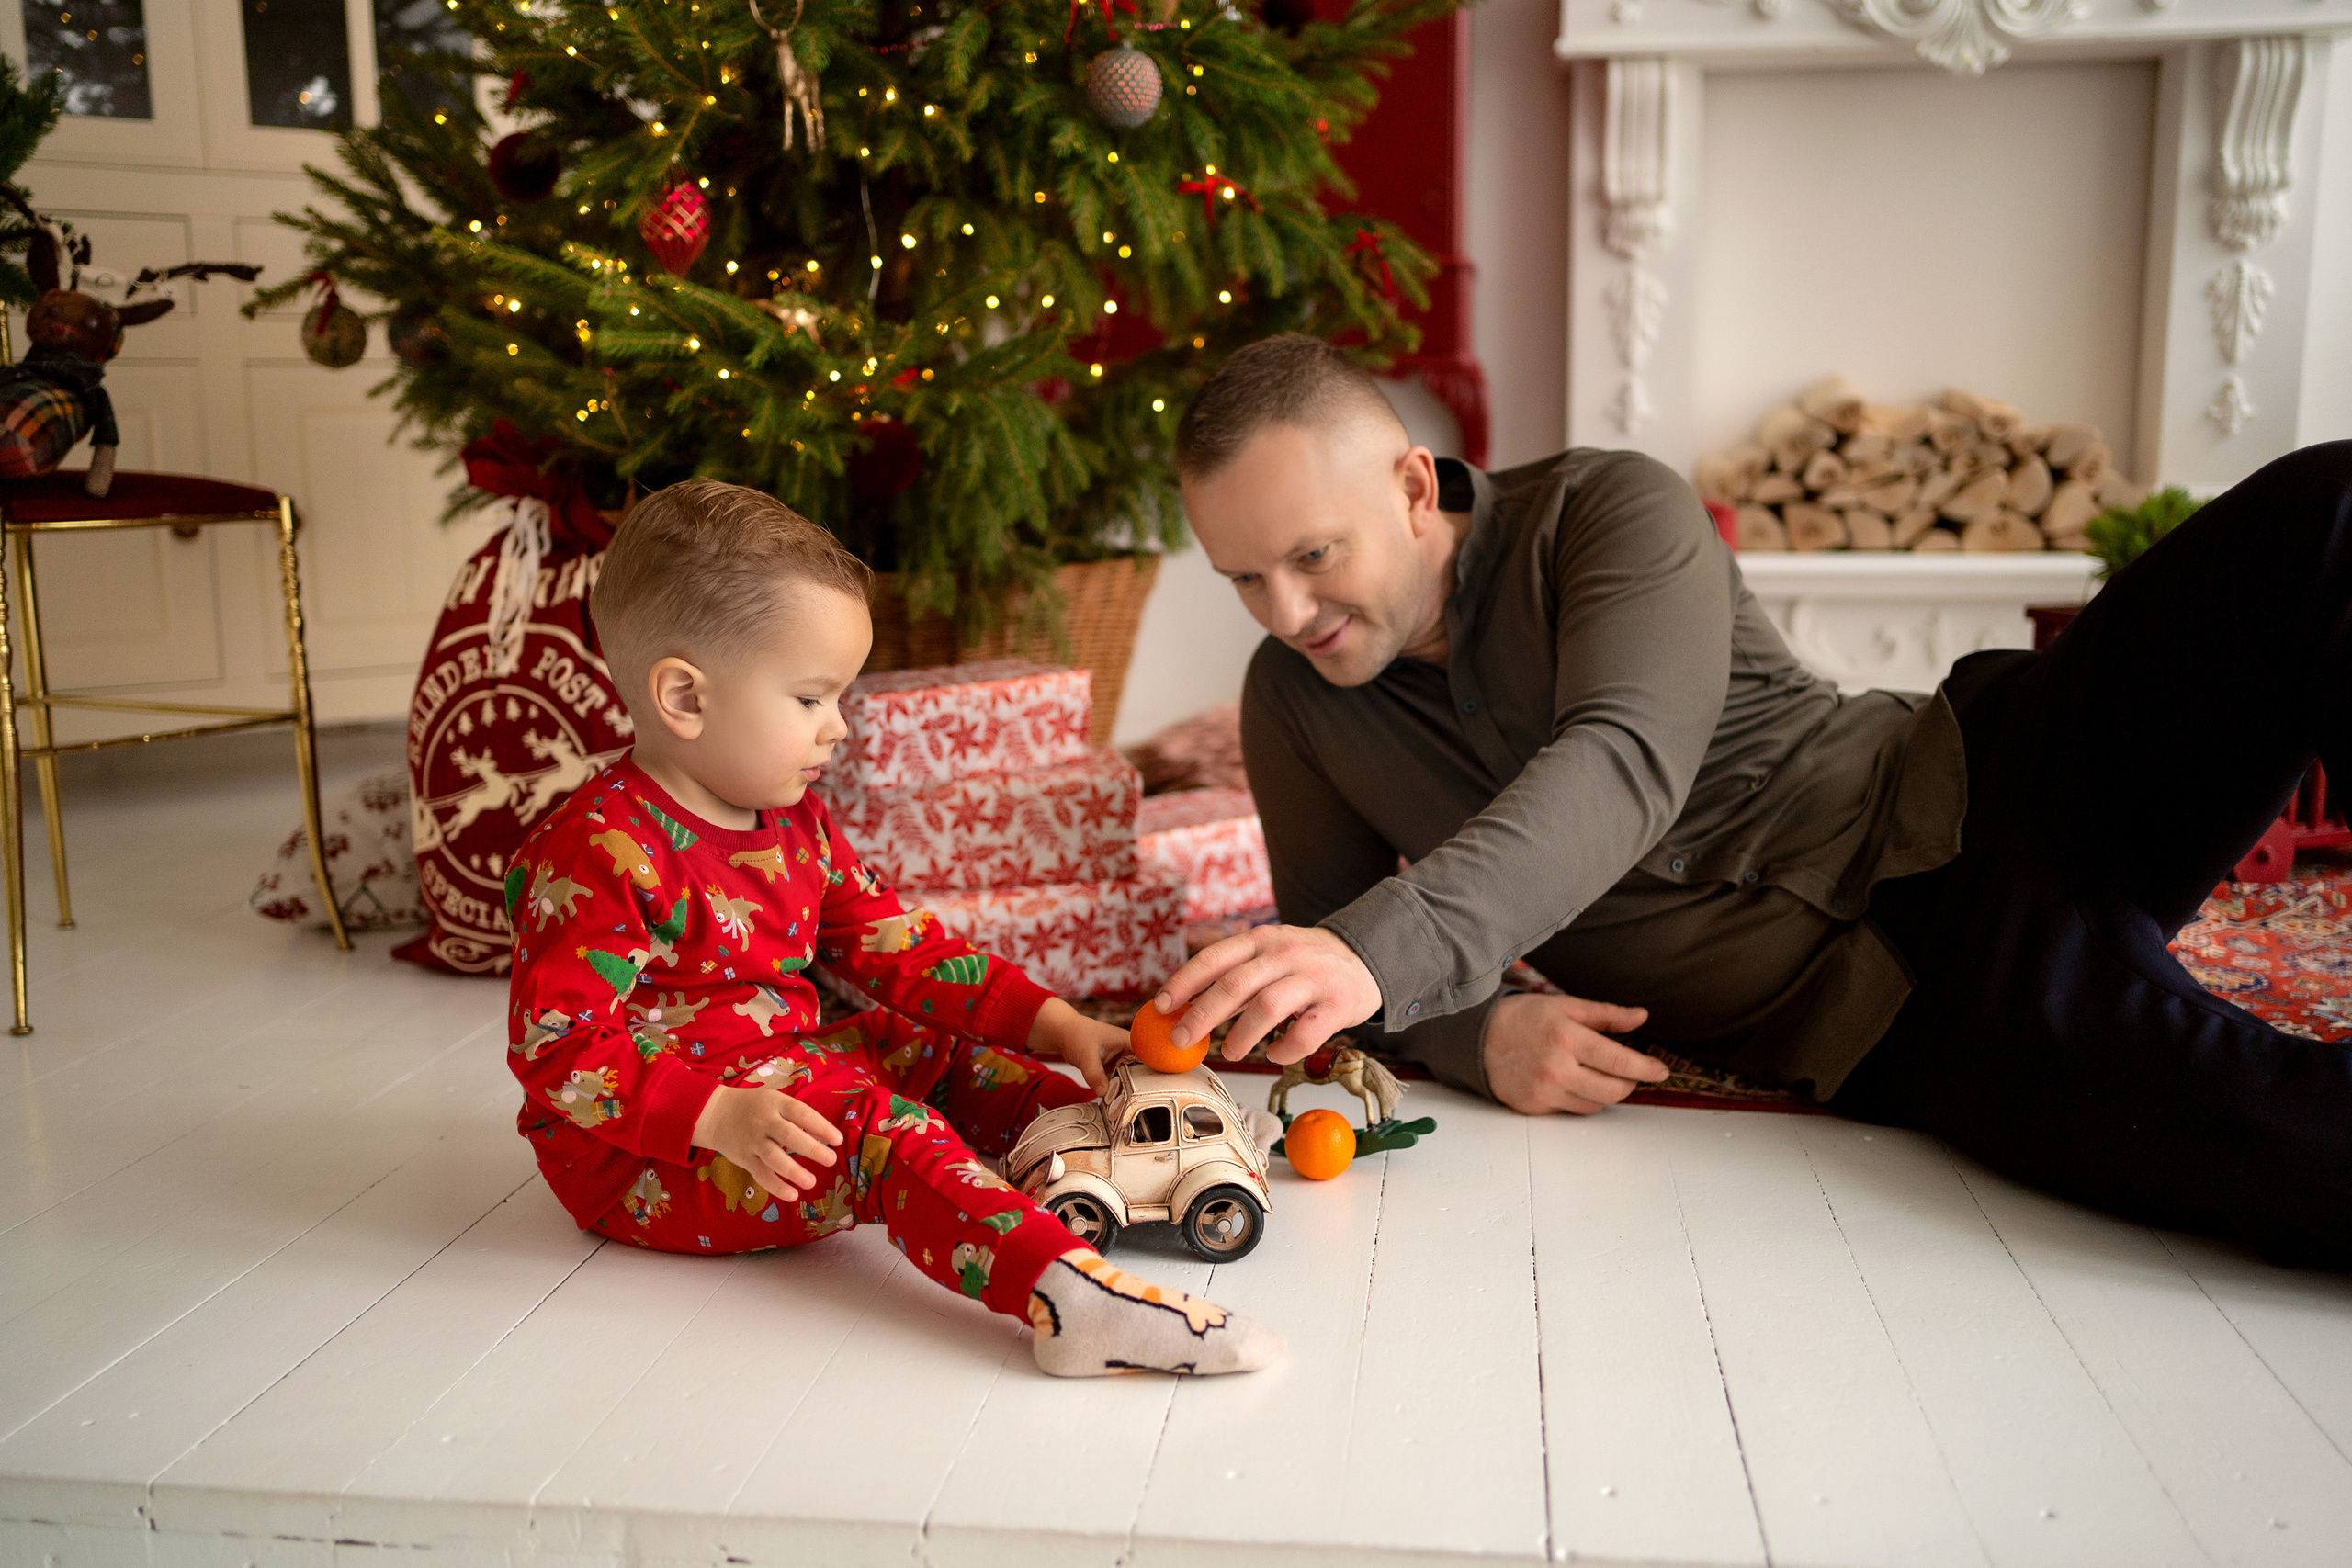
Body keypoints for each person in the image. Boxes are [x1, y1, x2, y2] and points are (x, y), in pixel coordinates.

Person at [1154, 333, 2352, 1269]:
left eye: (1314, 556)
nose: (1287, 615)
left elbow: (1623, 758)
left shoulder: (1607, 511)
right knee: (2277, 1142)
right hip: (1905, 1007)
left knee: (2328, 512)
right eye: (1244, 579)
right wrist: (1476, 1032)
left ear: (1415, 486)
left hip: (1992, 773)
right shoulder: (1294, 703)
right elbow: (1332, 956)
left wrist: (1373, 954)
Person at [503, 479, 1283, 1375]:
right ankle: (1063, 1296)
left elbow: (904, 950)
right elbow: (559, 1048)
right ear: (684, 698)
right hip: (647, 1156)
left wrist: (1060, 1026)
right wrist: (713, 1115)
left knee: (943, 1057)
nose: (839, 727)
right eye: (810, 699)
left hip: (786, 1059)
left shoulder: (792, 820)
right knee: (886, 1133)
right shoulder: (597, 852)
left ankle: (1124, 1151)